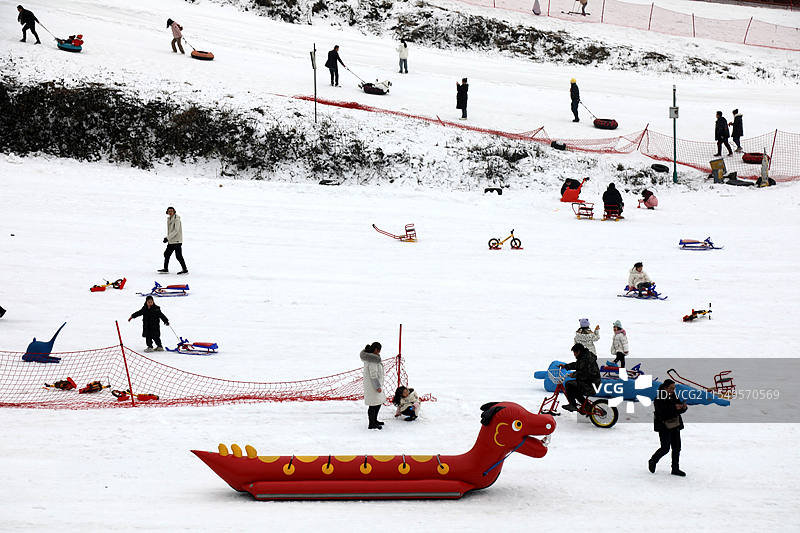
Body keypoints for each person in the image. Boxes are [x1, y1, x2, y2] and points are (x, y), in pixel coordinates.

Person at [649, 379, 687, 476]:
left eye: (674, 388)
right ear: (665, 388)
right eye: (671, 388)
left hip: (675, 425)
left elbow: (678, 410)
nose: (673, 390)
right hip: (664, 426)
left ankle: (675, 468)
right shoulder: (658, 398)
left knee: (677, 447)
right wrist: (675, 408)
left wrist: (683, 408)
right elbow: (662, 413)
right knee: (665, 448)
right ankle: (653, 461)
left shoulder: (674, 396)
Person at [560, 343, 601, 411]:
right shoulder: (584, 356)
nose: (574, 354)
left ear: (578, 351)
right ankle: (587, 407)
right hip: (591, 382)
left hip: (591, 385)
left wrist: (574, 375)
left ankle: (572, 405)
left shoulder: (586, 359)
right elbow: (578, 365)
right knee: (575, 390)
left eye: (574, 352)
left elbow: (585, 374)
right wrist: (566, 366)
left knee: (569, 384)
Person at [361, 342, 385, 429]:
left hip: (374, 386)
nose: (379, 352)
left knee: (377, 403)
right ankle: (372, 423)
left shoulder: (372, 358)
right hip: (373, 387)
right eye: (379, 350)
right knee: (373, 405)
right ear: (376, 350)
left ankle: (374, 420)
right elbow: (373, 375)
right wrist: (377, 386)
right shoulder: (372, 360)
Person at [158, 206, 188, 274]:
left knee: (178, 256)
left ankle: (185, 270)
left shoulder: (177, 219)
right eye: (169, 211)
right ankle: (165, 269)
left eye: (172, 211)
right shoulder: (169, 218)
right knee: (166, 254)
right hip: (171, 241)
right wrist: (168, 239)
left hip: (177, 241)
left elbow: (176, 230)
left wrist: (167, 238)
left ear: (174, 211)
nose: (170, 212)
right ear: (167, 212)